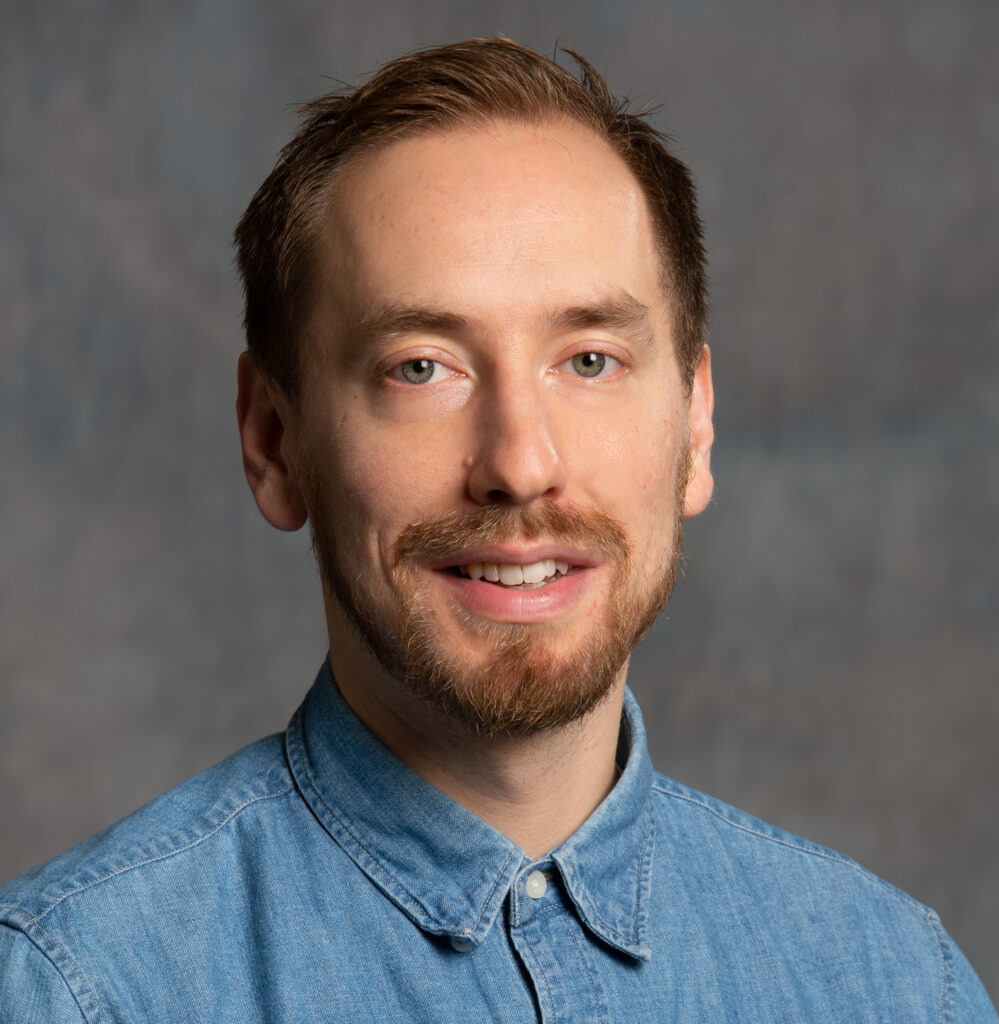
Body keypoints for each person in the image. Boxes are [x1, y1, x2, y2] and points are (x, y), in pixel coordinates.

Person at [0, 37, 994, 1022]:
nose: (520, 465)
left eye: (591, 360)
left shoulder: (897, 983)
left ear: (694, 424)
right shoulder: (71, 991)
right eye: (423, 367)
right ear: (273, 440)